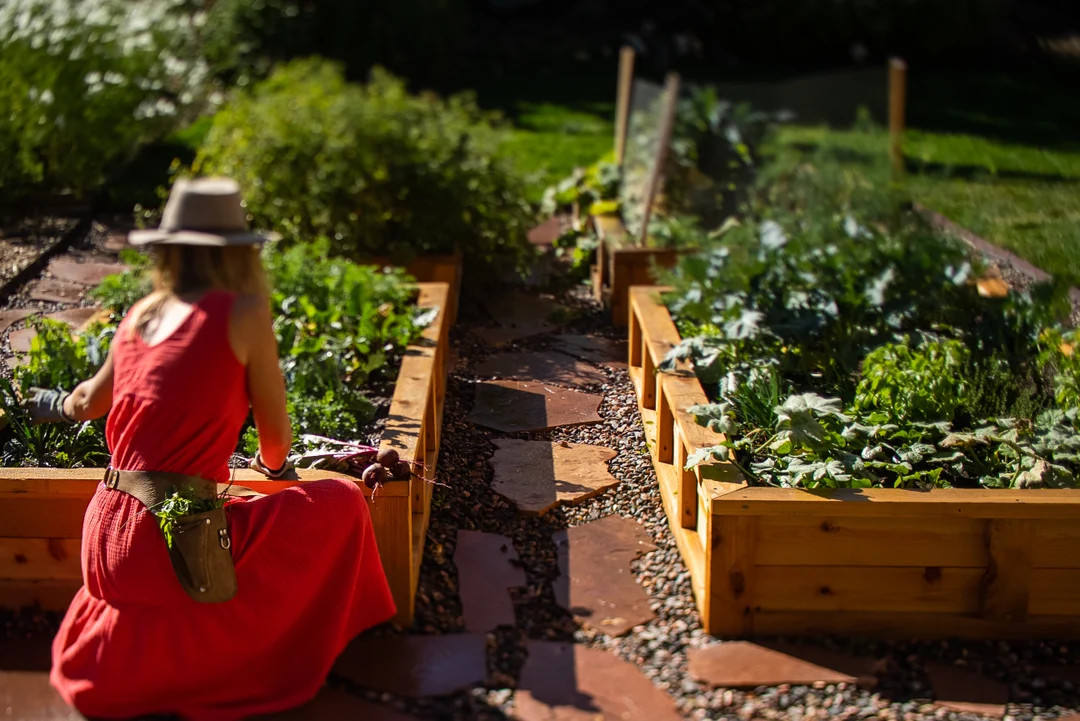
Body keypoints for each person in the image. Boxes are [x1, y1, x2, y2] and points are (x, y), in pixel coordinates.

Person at [25, 177, 396, 720]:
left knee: (223, 517)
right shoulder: (242, 313)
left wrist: (43, 402)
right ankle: (263, 660)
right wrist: (277, 473)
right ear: (240, 251)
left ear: (168, 248)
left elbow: (85, 403)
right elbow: (275, 439)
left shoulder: (140, 315)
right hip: (168, 535)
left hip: (105, 532)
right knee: (339, 504)